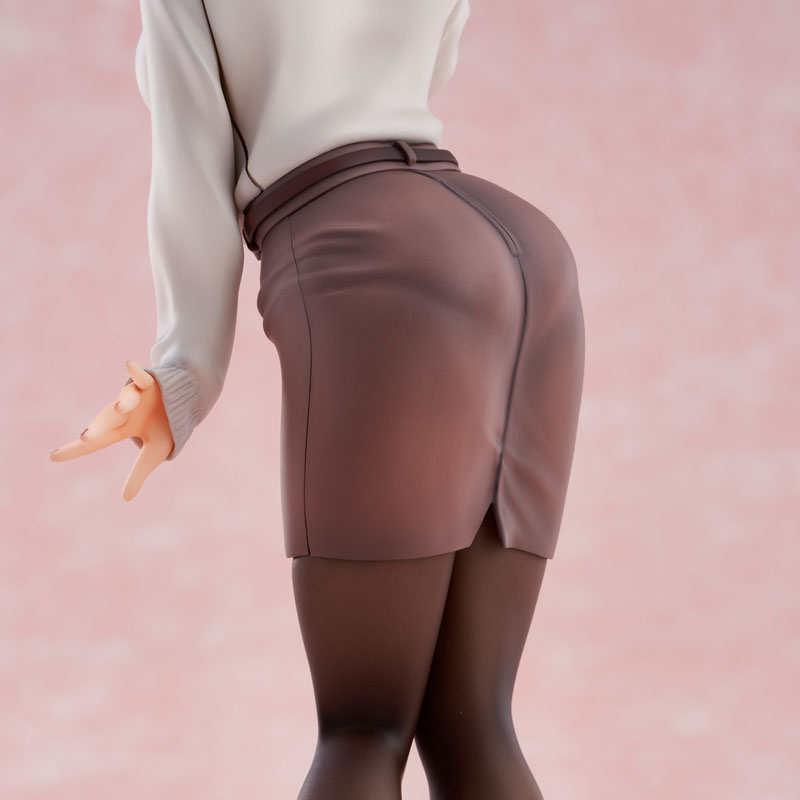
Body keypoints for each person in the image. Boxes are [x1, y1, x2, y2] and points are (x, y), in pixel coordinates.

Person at [50, 1, 585, 797]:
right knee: (473, 721)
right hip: (523, 250)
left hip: (368, 249)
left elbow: (192, 150)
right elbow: (429, 66)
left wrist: (183, 370)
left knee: (362, 727)